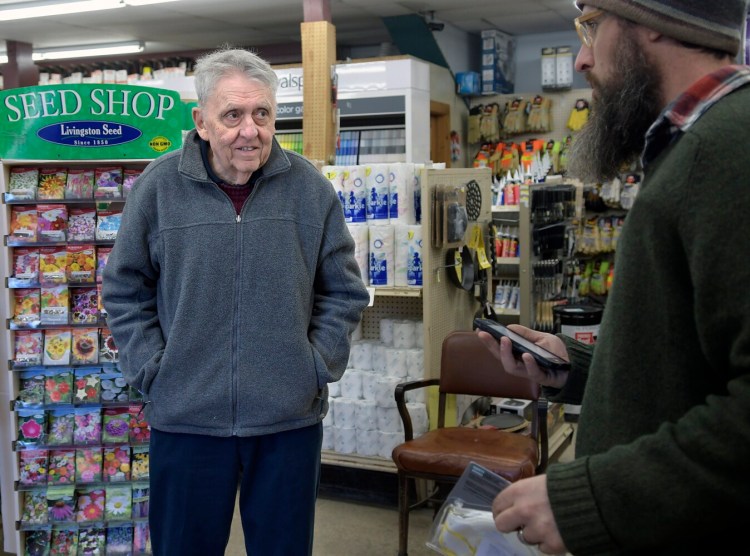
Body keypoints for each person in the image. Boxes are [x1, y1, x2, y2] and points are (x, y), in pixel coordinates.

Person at [476, 1, 750, 554]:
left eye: (591, 26)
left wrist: (596, 498)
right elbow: (693, 369)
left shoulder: (728, 151)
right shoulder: (696, 147)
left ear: (652, 20)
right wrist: (577, 368)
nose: (581, 59)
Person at [102, 47, 370, 556]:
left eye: (262, 114)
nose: (250, 130)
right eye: (233, 116)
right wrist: (153, 369)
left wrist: (312, 367)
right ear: (201, 122)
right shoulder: (158, 188)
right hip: (186, 419)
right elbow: (123, 287)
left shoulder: (310, 190)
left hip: (287, 421)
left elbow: (344, 291)